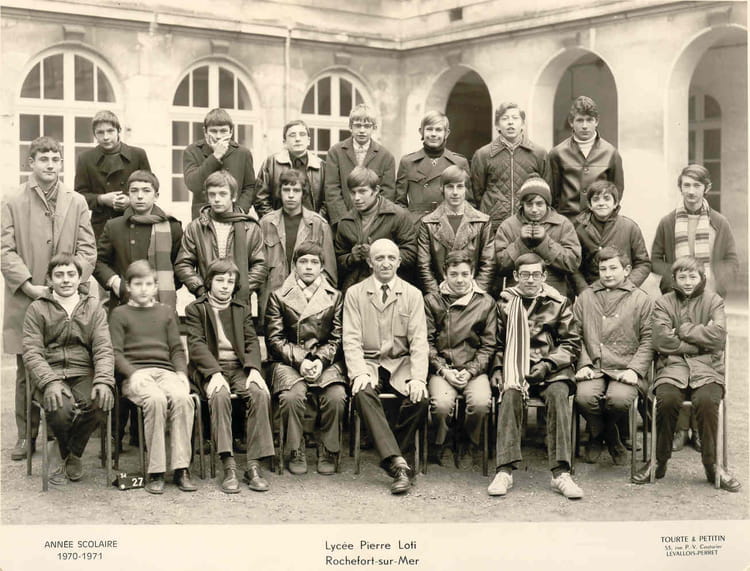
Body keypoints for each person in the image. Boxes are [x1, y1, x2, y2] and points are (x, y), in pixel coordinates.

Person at [2, 136, 96, 461]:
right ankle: (26, 435)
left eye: (55, 159)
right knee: (26, 367)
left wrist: (69, 282)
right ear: (31, 162)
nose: (50, 165)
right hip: (26, 297)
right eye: (43, 159)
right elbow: (5, 250)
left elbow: (88, 249)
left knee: (66, 362)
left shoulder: (76, 201)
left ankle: (60, 429)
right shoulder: (12, 200)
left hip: (67, 298)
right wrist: (29, 286)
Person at [632, 256, 741, 493]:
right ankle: (658, 461)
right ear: (674, 279)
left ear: (702, 277)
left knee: (707, 401)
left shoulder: (714, 301)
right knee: (666, 400)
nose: (688, 282)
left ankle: (713, 465)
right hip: (672, 369)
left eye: (693, 276)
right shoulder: (663, 303)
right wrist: (700, 343)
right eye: (682, 277)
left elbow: (719, 336)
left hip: (707, 370)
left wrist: (682, 330)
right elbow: (661, 340)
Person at [651, 164, 738, 452]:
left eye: (696, 186)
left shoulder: (719, 222)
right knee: (676, 363)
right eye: (686, 185)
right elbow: (656, 259)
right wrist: (675, 283)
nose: (691, 191)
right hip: (677, 299)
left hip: (707, 300)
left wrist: (716, 288)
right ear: (680, 187)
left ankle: (700, 428)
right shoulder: (667, 221)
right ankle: (680, 428)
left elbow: (731, 259)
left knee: (705, 361)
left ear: (706, 188)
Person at [488, 253, 583, 499]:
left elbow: (571, 343)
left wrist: (548, 363)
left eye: (535, 274)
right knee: (509, 393)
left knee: (559, 395)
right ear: (516, 276)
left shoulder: (559, 303)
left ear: (544, 276)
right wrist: (497, 368)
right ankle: (504, 471)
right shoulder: (505, 302)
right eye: (525, 274)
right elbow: (496, 343)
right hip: (515, 366)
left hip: (551, 369)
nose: (530, 280)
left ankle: (561, 473)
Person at [343, 239, 429, 494]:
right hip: (369, 362)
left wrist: (418, 378)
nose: (386, 263)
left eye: (391, 258)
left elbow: (419, 342)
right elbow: (351, 338)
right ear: (370, 262)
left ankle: (392, 457)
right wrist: (358, 372)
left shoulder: (412, 294)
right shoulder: (355, 293)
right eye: (379, 258)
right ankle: (399, 464)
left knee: (420, 399)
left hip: (400, 363)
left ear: (399, 262)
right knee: (362, 393)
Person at [22, 254, 115, 485]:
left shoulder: (93, 307)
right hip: (51, 373)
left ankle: (70, 452)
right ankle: (66, 451)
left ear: (80, 278)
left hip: (83, 372)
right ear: (49, 279)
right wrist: (49, 382)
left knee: (99, 401)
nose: (66, 280)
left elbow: (103, 348)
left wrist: (103, 380)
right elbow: (32, 352)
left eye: (71, 274)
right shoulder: (37, 308)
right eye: (59, 275)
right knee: (60, 408)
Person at [185, 259, 273, 494]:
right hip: (209, 369)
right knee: (220, 395)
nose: (225, 286)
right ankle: (229, 465)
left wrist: (254, 370)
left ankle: (253, 465)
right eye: (220, 280)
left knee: (259, 393)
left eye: (230, 282)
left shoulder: (241, 309)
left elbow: (251, 342)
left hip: (239, 368)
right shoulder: (196, 309)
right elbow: (196, 346)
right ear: (209, 281)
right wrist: (214, 373)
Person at [109, 260, 197, 494]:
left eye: (148, 284)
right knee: (155, 400)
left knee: (182, 398)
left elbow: (176, 349)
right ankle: (156, 471)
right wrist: (132, 373)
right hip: (136, 375)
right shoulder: (119, 314)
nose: (144, 289)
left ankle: (181, 468)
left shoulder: (166, 312)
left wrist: (181, 373)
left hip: (165, 372)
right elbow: (115, 353)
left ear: (156, 287)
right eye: (138, 284)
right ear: (128, 286)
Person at [265, 242, 347, 476]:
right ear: (294, 266)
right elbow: (275, 339)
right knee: (292, 396)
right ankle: (295, 448)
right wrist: (302, 361)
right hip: (289, 360)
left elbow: (338, 338)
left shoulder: (335, 297)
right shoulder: (278, 296)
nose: (308, 267)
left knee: (336, 396)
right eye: (303, 262)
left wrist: (320, 361)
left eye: (314, 262)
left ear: (322, 267)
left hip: (325, 361)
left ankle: (328, 449)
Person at [573, 246, 653, 465]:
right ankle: (610, 437)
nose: (607, 274)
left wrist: (635, 370)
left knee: (618, 400)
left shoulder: (640, 299)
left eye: (613, 268)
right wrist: (583, 364)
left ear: (626, 270)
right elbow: (574, 335)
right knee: (584, 398)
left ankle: (598, 435)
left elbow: (649, 339)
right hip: (594, 366)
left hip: (625, 367)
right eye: (603, 269)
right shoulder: (586, 297)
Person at [424, 250, 495, 469]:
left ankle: (468, 442)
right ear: (444, 274)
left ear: (472, 274)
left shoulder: (485, 303)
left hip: (473, 370)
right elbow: (425, 342)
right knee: (441, 404)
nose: (460, 280)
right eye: (454, 274)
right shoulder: (432, 301)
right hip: (442, 369)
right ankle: (442, 442)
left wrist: (471, 371)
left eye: (465, 274)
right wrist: (443, 370)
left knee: (481, 403)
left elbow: (489, 345)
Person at [175, 170, 267, 307]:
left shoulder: (251, 228)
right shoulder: (196, 227)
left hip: (240, 303)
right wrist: (201, 289)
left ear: (233, 196)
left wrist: (238, 289)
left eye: (222, 194)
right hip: (206, 301)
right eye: (212, 194)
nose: (217, 199)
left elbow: (260, 265)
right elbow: (183, 263)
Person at [94, 170, 183, 310]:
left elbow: (178, 265)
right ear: (128, 195)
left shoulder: (172, 227)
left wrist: (160, 288)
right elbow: (98, 261)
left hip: (161, 304)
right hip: (124, 301)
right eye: (134, 191)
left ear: (156, 196)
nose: (140, 196)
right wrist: (115, 283)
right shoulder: (114, 226)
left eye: (146, 191)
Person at [258, 169, 336, 322]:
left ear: (303, 193)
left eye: (296, 190)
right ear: (279, 192)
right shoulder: (266, 223)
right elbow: (258, 267)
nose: (291, 195)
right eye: (286, 190)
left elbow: (329, 273)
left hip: (307, 305)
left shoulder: (318, 224)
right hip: (272, 301)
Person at [494, 176, 581, 298]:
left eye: (539, 204)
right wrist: (521, 243)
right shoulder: (508, 225)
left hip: (554, 295)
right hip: (517, 294)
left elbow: (572, 263)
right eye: (529, 204)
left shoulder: (563, 224)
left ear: (547, 204)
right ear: (522, 204)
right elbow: (500, 266)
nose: (534, 209)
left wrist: (545, 242)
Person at [470, 102, 549, 235]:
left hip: (528, 224)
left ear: (523, 124)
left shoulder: (539, 154)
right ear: (497, 125)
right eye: (505, 118)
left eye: (515, 118)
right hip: (494, 226)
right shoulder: (483, 155)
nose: (510, 122)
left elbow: (547, 192)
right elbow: (477, 193)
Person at [334, 166, 416, 293]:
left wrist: (378, 255)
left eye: (362, 192)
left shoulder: (398, 216)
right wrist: (351, 258)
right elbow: (338, 259)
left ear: (376, 190)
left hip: (392, 287)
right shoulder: (345, 222)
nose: (356, 198)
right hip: (356, 288)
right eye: (352, 192)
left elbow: (410, 254)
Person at [74, 110, 151, 239]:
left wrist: (130, 200)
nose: (106, 137)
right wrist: (102, 199)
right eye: (100, 132)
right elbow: (79, 196)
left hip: (133, 223)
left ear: (119, 131)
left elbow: (150, 190)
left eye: (110, 131)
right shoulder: (86, 159)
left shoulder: (138, 155)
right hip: (101, 228)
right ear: (94, 134)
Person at [417, 165, 494, 295]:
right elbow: (424, 266)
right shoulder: (428, 223)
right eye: (450, 187)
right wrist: (437, 297)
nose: (455, 192)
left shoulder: (482, 222)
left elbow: (488, 263)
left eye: (460, 186)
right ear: (441, 189)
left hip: (473, 294)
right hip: (440, 294)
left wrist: (476, 295)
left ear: (466, 189)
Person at [549, 96, 624, 221]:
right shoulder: (557, 153)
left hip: (599, 222)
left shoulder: (611, 153)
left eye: (589, 120)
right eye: (580, 120)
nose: (585, 126)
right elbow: (553, 195)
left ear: (596, 121)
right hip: (568, 223)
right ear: (571, 122)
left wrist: (604, 216)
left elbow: (617, 192)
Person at [572, 180, 650, 293]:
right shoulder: (579, 230)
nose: (601, 203)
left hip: (624, 291)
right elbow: (574, 266)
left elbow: (643, 263)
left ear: (615, 203)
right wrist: (585, 291)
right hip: (592, 291)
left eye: (607, 198)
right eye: (596, 199)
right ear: (589, 205)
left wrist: (626, 287)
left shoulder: (629, 227)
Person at [324, 104, 396, 226]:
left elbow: (387, 194)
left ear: (374, 128)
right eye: (357, 125)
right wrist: (344, 221)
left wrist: (373, 222)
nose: (362, 130)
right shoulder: (335, 152)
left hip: (374, 224)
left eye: (367, 126)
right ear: (350, 127)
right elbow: (332, 189)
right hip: (343, 222)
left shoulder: (386, 157)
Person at [395, 111, 470, 221]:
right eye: (429, 129)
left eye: (438, 130)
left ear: (446, 133)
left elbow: (468, 201)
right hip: (417, 224)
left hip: (448, 222)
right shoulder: (408, 162)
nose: (433, 134)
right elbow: (399, 203)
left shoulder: (459, 162)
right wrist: (409, 222)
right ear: (421, 132)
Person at [183, 108, 256, 218]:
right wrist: (215, 156)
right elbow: (193, 185)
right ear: (205, 131)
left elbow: (250, 187)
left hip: (235, 215)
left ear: (231, 132)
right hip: (202, 217)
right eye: (213, 131)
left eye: (223, 131)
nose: (218, 136)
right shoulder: (192, 151)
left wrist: (240, 210)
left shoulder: (243, 153)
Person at [254, 119, 326, 220]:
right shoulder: (271, 163)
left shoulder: (321, 166)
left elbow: (328, 201)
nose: (298, 139)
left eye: (302, 134)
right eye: (292, 135)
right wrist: (274, 222)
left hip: (313, 225)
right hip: (277, 225)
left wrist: (316, 223)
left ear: (308, 140)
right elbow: (260, 198)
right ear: (284, 142)